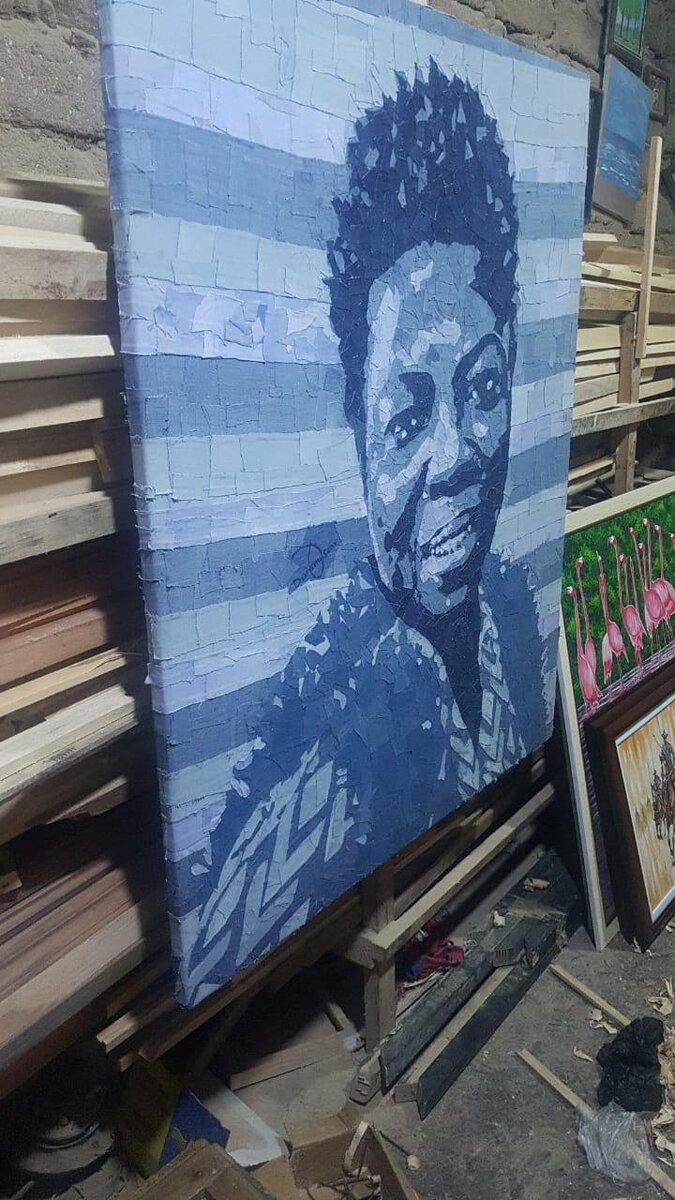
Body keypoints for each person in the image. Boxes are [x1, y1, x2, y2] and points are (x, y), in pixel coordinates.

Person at [184, 63, 547, 999]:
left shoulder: (514, 623)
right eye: (406, 417)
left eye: (481, 388)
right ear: (356, 429)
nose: (457, 455)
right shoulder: (327, 757)